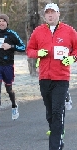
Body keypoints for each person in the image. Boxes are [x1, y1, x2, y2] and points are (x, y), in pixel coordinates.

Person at [26, 3, 77, 150]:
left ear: (58, 14)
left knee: (57, 111)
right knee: (50, 112)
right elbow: (29, 50)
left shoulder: (69, 31)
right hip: (44, 77)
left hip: (61, 77)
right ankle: (58, 135)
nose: (50, 15)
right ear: (44, 15)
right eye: (47, 13)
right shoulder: (38, 31)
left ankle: (54, 146)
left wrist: (73, 58)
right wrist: (38, 53)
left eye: (52, 12)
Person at [0, 14, 25, 124]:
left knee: (9, 89)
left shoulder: (12, 34)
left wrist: (11, 47)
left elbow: (23, 47)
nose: (1, 23)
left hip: (8, 66)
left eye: (3, 21)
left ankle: (14, 105)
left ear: (7, 23)